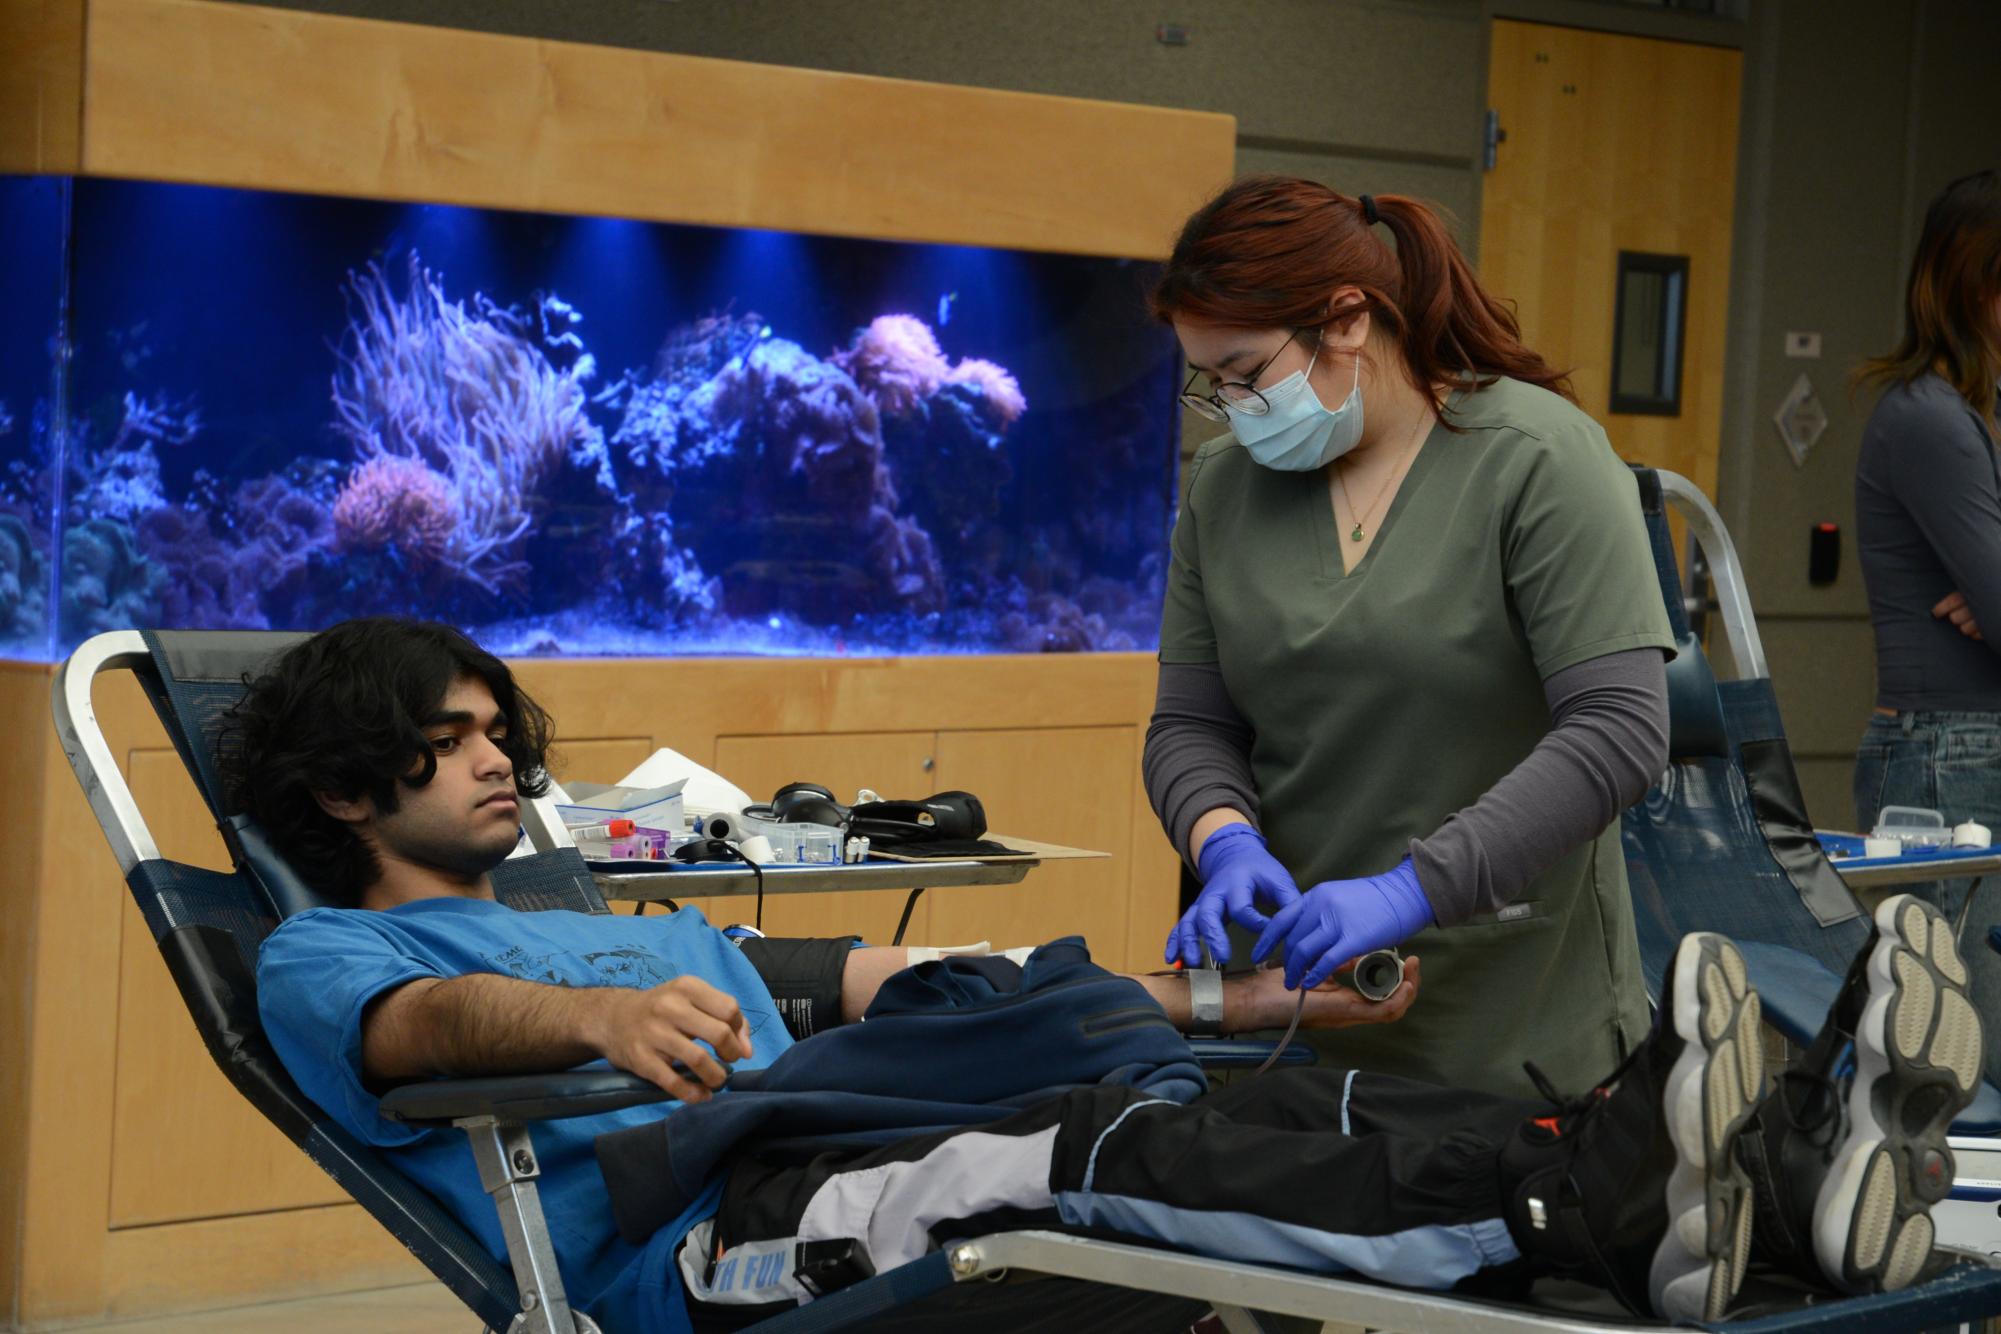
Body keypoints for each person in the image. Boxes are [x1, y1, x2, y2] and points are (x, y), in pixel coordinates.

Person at [231, 619, 1977, 1332]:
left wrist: (1253, 1000)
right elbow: (422, 1033)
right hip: (715, 1225)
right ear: (338, 782)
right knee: (1093, 1155)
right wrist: (592, 1016)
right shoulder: (343, 948)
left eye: (491, 730)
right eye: (441, 740)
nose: (492, 761)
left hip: (857, 1119)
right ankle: (1592, 1203)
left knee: (1248, 1092)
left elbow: (921, 979)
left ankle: (1740, 1166)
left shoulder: (628, 920)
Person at [1145, 176, 1672, 1098]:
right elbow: (1192, 724)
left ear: (1345, 320)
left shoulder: (1536, 460)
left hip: (1508, 1027)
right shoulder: (1226, 486)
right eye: (1210, 384)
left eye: (1245, 373)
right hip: (1284, 1015)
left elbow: (1618, 732)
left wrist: (1409, 892)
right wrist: (1221, 838)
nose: (1230, 407)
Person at [1852, 167, 2001, 1079]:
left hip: (1971, 747)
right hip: (1948, 756)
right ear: (1980, 285)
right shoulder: (1931, 421)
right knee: (1948, 1065)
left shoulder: (1976, 418)